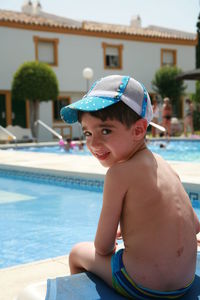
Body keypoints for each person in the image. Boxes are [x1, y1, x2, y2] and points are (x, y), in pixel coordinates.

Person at [60, 75, 200, 299]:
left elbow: (103, 247)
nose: (93, 143)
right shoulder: (164, 165)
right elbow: (194, 225)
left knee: (77, 252)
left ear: (138, 130)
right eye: (87, 132)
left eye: (105, 131)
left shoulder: (117, 174)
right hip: (185, 282)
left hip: (144, 286)